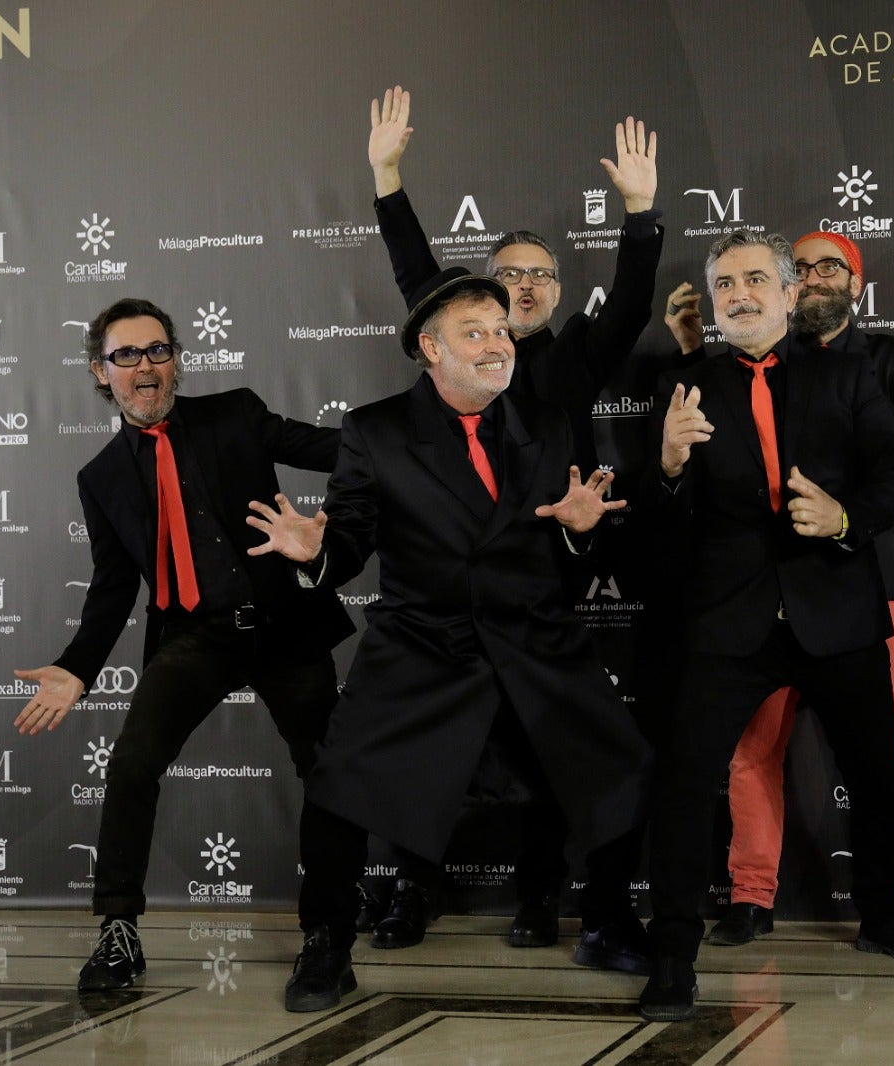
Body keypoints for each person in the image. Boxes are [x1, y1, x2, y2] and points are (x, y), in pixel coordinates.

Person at [250, 268, 652, 1012]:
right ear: (431, 349)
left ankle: (608, 919)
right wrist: (318, 555)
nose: (497, 344)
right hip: (424, 641)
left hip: (534, 637)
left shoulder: (548, 422)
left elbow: (567, 554)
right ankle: (327, 945)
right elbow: (352, 541)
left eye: (501, 331)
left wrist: (579, 535)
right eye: (477, 332)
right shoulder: (376, 431)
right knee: (339, 786)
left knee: (618, 760)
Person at [364, 86, 663, 950]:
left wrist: (639, 213)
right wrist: (386, 178)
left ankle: (548, 901)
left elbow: (634, 302)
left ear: (558, 295)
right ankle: (408, 894)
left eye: (540, 275)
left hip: (538, 587)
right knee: (428, 755)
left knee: (550, 754)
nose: (524, 285)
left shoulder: (573, 360)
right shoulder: (454, 344)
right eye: (509, 274)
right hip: (444, 592)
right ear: (474, 305)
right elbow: (416, 272)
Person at [637, 230, 894, 1023]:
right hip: (728, 619)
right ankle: (672, 955)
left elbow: (892, 482)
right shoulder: (688, 389)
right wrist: (668, 468)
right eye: (724, 286)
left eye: (754, 280)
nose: (739, 295)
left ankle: (888, 915)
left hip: (836, 604)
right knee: (682, 782)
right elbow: (660, 528)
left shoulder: (850, 375)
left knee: (878, 771)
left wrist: (844, 518)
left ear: (786, 293)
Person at [13, 297, 353, 993]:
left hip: (283, 624)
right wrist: (78, 668)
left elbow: (338, 451)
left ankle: (328, 934)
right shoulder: (101, 477)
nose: (145, 366)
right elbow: (113, 587)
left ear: (177, 361)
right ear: (100, 371)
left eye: (157, 351)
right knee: (132, 763)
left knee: (327, 769)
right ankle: (117, 932)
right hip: (194, 635)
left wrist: (413, 440)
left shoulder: (236, 414)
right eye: (126, 355)